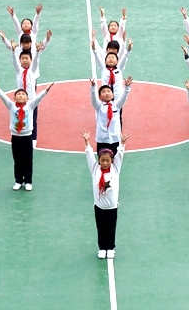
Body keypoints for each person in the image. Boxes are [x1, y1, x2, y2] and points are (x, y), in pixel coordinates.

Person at [0, 79, 54, 191]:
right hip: (16, 137)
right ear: (14, 98)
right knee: (17, 160)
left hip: (27, 137)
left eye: (23, 94)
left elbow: (39, 98)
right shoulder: (11, 106)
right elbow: (4, 97)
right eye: (18, 94)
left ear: (27, 98)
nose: (20, 96)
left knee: (28, 159)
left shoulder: (30, 106)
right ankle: (18, 180)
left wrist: (46, 90)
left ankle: (28, 181)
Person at [82, 128, 130, 260]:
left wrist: (122, 143)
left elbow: (120, 154)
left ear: (111, 161)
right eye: (102, 160)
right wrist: (87, 143)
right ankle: (102, 247)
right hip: (99, 206)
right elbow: (89, 156)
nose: (104, 163)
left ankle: (110, 247)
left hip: (112, 206)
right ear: (99, 161)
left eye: (107, 160)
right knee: (101, 227)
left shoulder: (115, 169)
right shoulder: (95, 169)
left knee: (111, 227)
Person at [91, 76, 132, 155]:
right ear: (100, 97)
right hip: (102, 139)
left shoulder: (117, 105)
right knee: (103, 162)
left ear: (113, 95)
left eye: (108, 91)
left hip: (115, 139)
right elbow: (93, 99)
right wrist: (93, 88)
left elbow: (124, 98)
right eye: (103, 92)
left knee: (115, 161)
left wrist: (127, 87)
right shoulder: (99, 107)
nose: (106, 93)